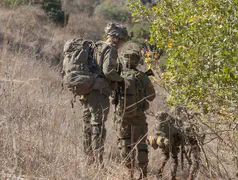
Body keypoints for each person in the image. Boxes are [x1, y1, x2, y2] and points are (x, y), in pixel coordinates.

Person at [80, 22, 129, 165]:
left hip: (86, 91)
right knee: (98, 126)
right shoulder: (110, 49)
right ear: (116, 38)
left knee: (87, 125)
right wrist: (121, 80)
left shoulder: (96, 46)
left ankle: (88, 160)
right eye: (122, 42)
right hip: (99, 93)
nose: (121, 45)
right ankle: (98, 162)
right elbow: (108, 71)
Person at [115, 42, 156, 179]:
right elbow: (152, 97)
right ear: (137, 61)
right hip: (139, 116)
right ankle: (143, 174)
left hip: (122, 116)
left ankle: (129, 173)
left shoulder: (119, 75)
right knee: (141, 144)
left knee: (125, 143)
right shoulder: (142, 77)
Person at [148, 110, 204, 180]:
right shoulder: (172, 124)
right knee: (174, 160)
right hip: (171, 143)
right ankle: (173, 177)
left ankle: (159, 171)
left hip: (161, 142)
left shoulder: (158, 124)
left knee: (165, 156)